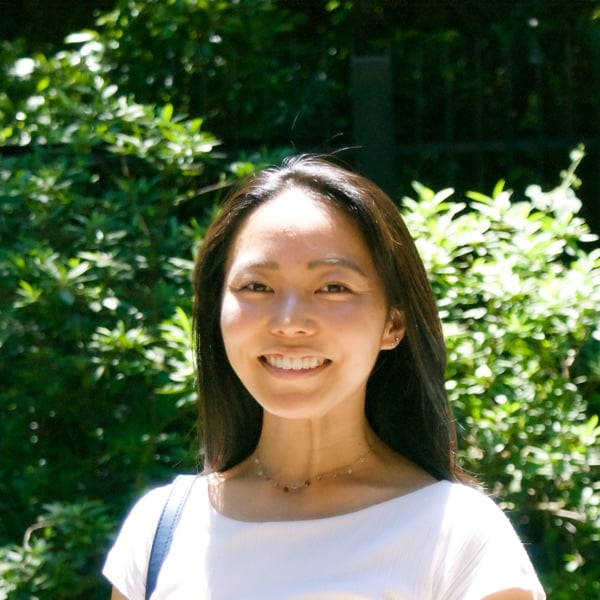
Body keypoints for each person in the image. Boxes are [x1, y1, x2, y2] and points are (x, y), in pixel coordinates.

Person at [103, 155, 546, 599]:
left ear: (393, 323)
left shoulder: (462, 540)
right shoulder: (160, 530)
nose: (290, 322)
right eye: (257, 286)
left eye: (334, 287)